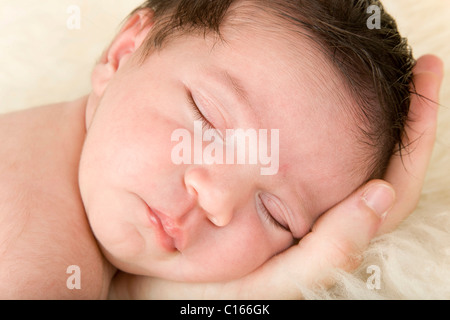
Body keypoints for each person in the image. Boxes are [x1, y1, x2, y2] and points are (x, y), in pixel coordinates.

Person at [0, 0, 444, 299]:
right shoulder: (39, 246)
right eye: (208, 119)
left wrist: (298, 273)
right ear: (125, 52)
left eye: (275, 212)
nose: (215, 199)